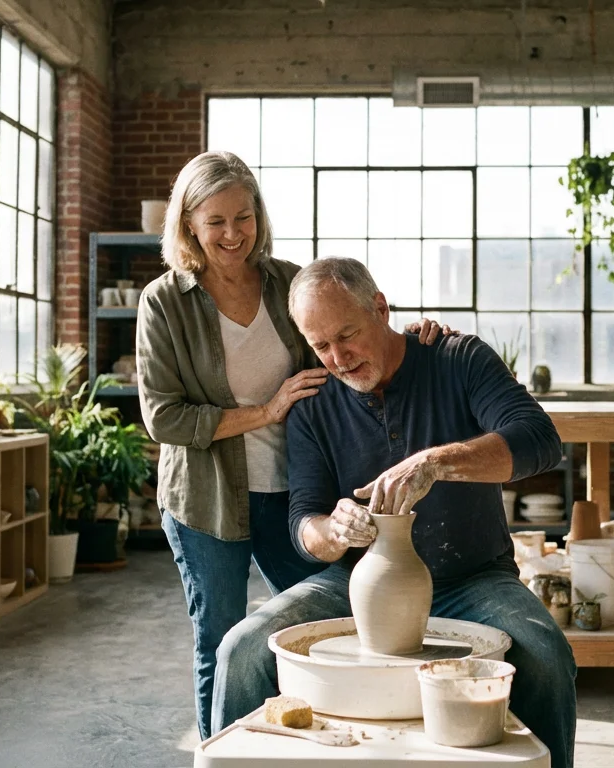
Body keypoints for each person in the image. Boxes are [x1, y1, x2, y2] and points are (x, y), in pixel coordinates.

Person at [209, 257, 577, 767]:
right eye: (321, 346)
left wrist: (437, 462)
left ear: (380, 308)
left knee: (546, 654)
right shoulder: (314, 403)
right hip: (354, 581)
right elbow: (303, 522)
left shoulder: (457, 359)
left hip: (471, 577)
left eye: (347, 334)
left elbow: (541, 441)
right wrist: (332, 531)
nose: (338, 357)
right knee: (241, 650)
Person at [136, 152, 452, 740]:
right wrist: (267, 410)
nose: (233, 234)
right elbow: (163, 418)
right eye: (215, 222)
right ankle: (222, 752)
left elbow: (344, 348)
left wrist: (415, 341)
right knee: (223, 640)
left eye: (244, 216)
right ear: (188, 226)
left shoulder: (287, 281)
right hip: (207, 501)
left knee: (327, 625)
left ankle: (314, 745)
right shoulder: (164, 301)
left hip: (293, 492)